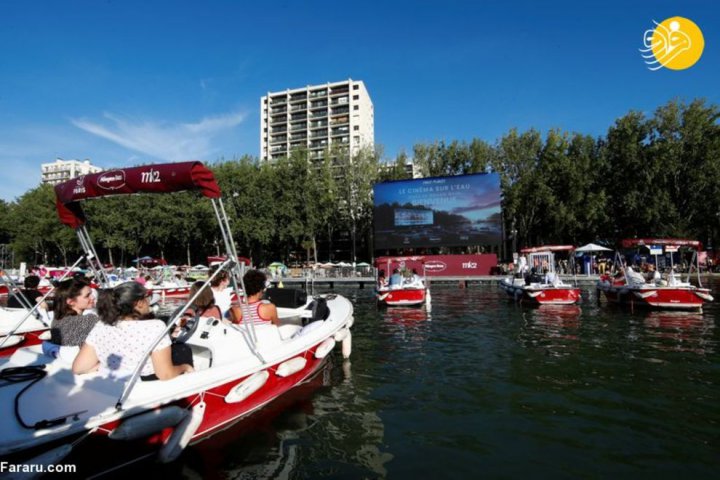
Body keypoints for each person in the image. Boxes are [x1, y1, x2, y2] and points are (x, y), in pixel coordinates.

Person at [72, 282, 193, 380]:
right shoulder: (155, 327)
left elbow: (78, 368)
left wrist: (103, 367)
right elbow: (165, 374)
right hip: (145, 383)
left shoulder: (101, 324)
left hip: (114, 383)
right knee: (183, 349)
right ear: (139, 303)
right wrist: (185, 367)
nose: (149, 301)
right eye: (148, 298)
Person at [48, 278, 99, 347]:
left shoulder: (56, 320)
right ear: (71, 302)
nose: (92, 297)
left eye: (91, 294)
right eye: (87, 296)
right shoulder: (89, 320)